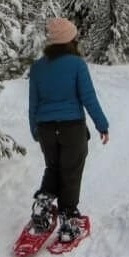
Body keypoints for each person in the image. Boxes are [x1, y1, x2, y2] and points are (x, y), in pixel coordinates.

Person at [28, 17, 109, 242]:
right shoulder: (77, 65)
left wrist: (35, 129)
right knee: (71, 171)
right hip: (71, 128)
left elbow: (33, 104)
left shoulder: (37, 68)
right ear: (69, 40)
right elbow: (89, 99)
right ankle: (68, 220)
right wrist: (102, 125)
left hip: (45, 128)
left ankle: (43, 206)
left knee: (53, 168)